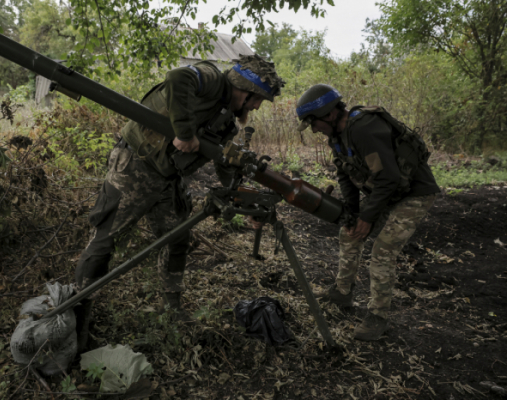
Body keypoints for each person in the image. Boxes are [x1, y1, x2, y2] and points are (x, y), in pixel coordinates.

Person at [74, 55, 285, 350]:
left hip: (168, 179)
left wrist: (246, 203)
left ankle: (171, 307)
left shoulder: (227, 124)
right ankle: (75, 323)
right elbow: (177, 78)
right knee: (104, 242)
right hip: (135, 167)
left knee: (177, 238)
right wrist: (185, 133)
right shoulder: (211, 79)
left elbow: (225, 165)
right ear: (244, 87)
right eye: (257, 99)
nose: (256, 107)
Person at [296, 84, 440, 341]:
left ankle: (378, 317)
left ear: (329, 115)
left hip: (414, 194)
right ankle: (343, 292)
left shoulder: (363, 129)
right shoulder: (337, 137)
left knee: (382, 251)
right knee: (348, 232)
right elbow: (345, 175)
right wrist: (352, 214)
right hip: (388, 191)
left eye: (313, 122)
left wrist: (367, 217)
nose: (314, 129)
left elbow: (389, 177)